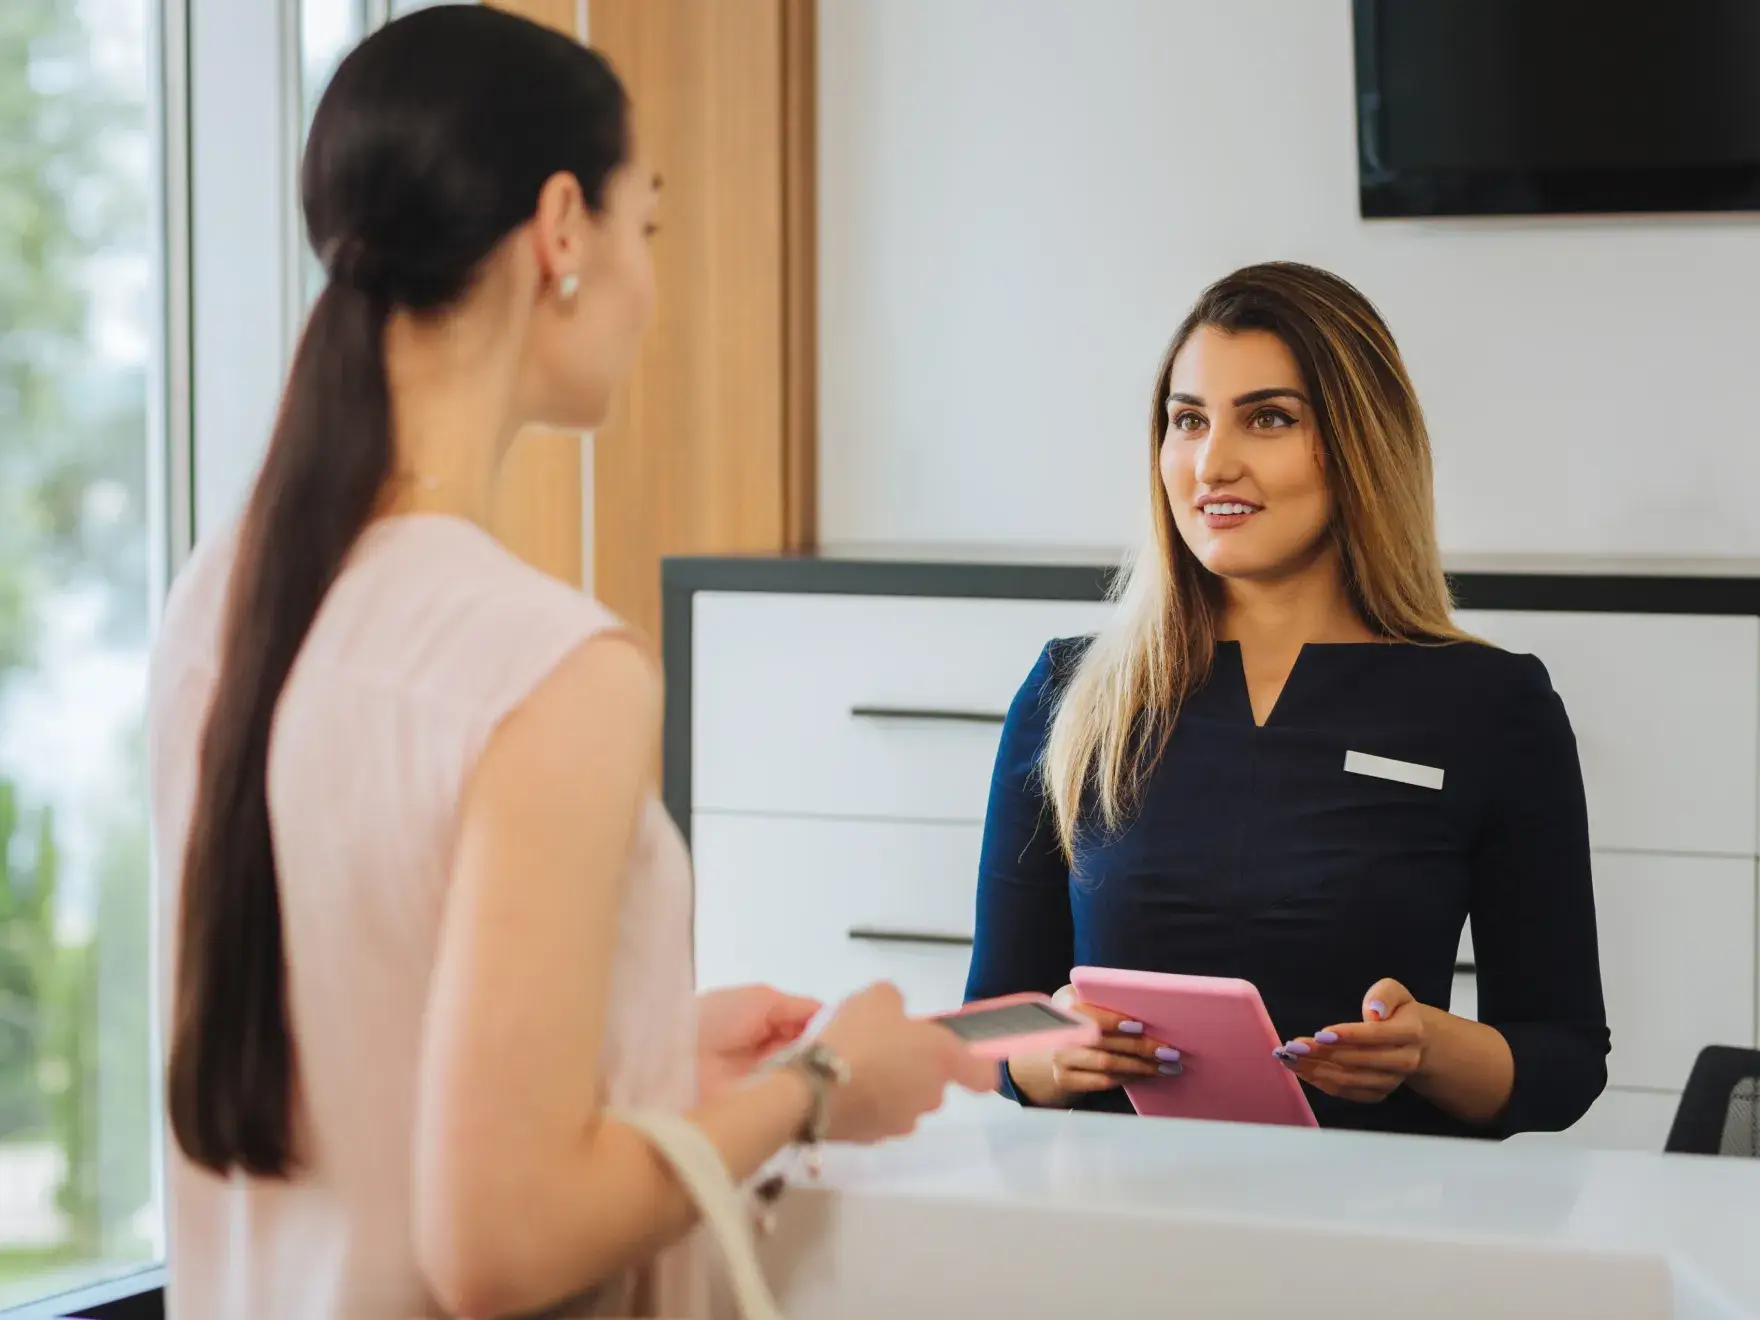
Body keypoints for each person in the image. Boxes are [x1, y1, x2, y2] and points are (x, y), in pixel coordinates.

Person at [148, 10, 990, 1319]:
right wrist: (820, 1087)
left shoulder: (223, 596)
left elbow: (356, 1058)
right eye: (643, 225)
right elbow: (502, 1246)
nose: (651, 282)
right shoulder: (547, 666)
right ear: (560, 231)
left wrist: (638, 1054)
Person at [963, 261, 1609, 1140]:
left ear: (1359, 445)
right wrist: (1047, 1053)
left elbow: (1565, 1058)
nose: (1212, 462)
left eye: (1268, 418)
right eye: (1187, 420)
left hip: (1380, 1226)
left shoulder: (1493, 704)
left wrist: (1430, 1050)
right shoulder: (1071, 693)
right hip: (1118, 1227)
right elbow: (986, 1025)